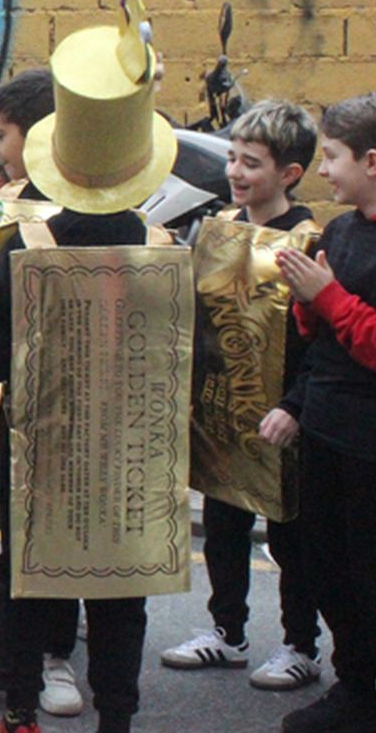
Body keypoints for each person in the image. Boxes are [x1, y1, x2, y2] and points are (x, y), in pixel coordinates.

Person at [0, 18, 179, 733]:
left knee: (28, 582)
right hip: (131, 458)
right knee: (123, 596)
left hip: (44, 453)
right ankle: (117, 719)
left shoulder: (22, 241)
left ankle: (22, 707)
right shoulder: (164, 247)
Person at [160, 100, 323, 693]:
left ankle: (301, 644)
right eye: (232, 157)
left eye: (250, 162)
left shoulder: (308, 240)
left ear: (290, 174)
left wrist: (296, 407)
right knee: (226, 524)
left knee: (289, 537)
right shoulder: (218, 228)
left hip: (281, 416)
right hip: (221, 410)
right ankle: (227, 632)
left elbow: (319, 343)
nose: (234, 171)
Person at [274, 94, 376, 733]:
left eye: (331, 157)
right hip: (329, 434)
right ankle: (355, 691)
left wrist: (327, 296)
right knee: (329, 571)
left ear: (372, 161)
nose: (323, 170)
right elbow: (323, 337)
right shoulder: (340, 231)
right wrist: (306, 301)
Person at [0, 65, 84, 719]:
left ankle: (53, 655)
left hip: (50, 404)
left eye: (1, 134)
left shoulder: (75, 214)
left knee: (46, 537)